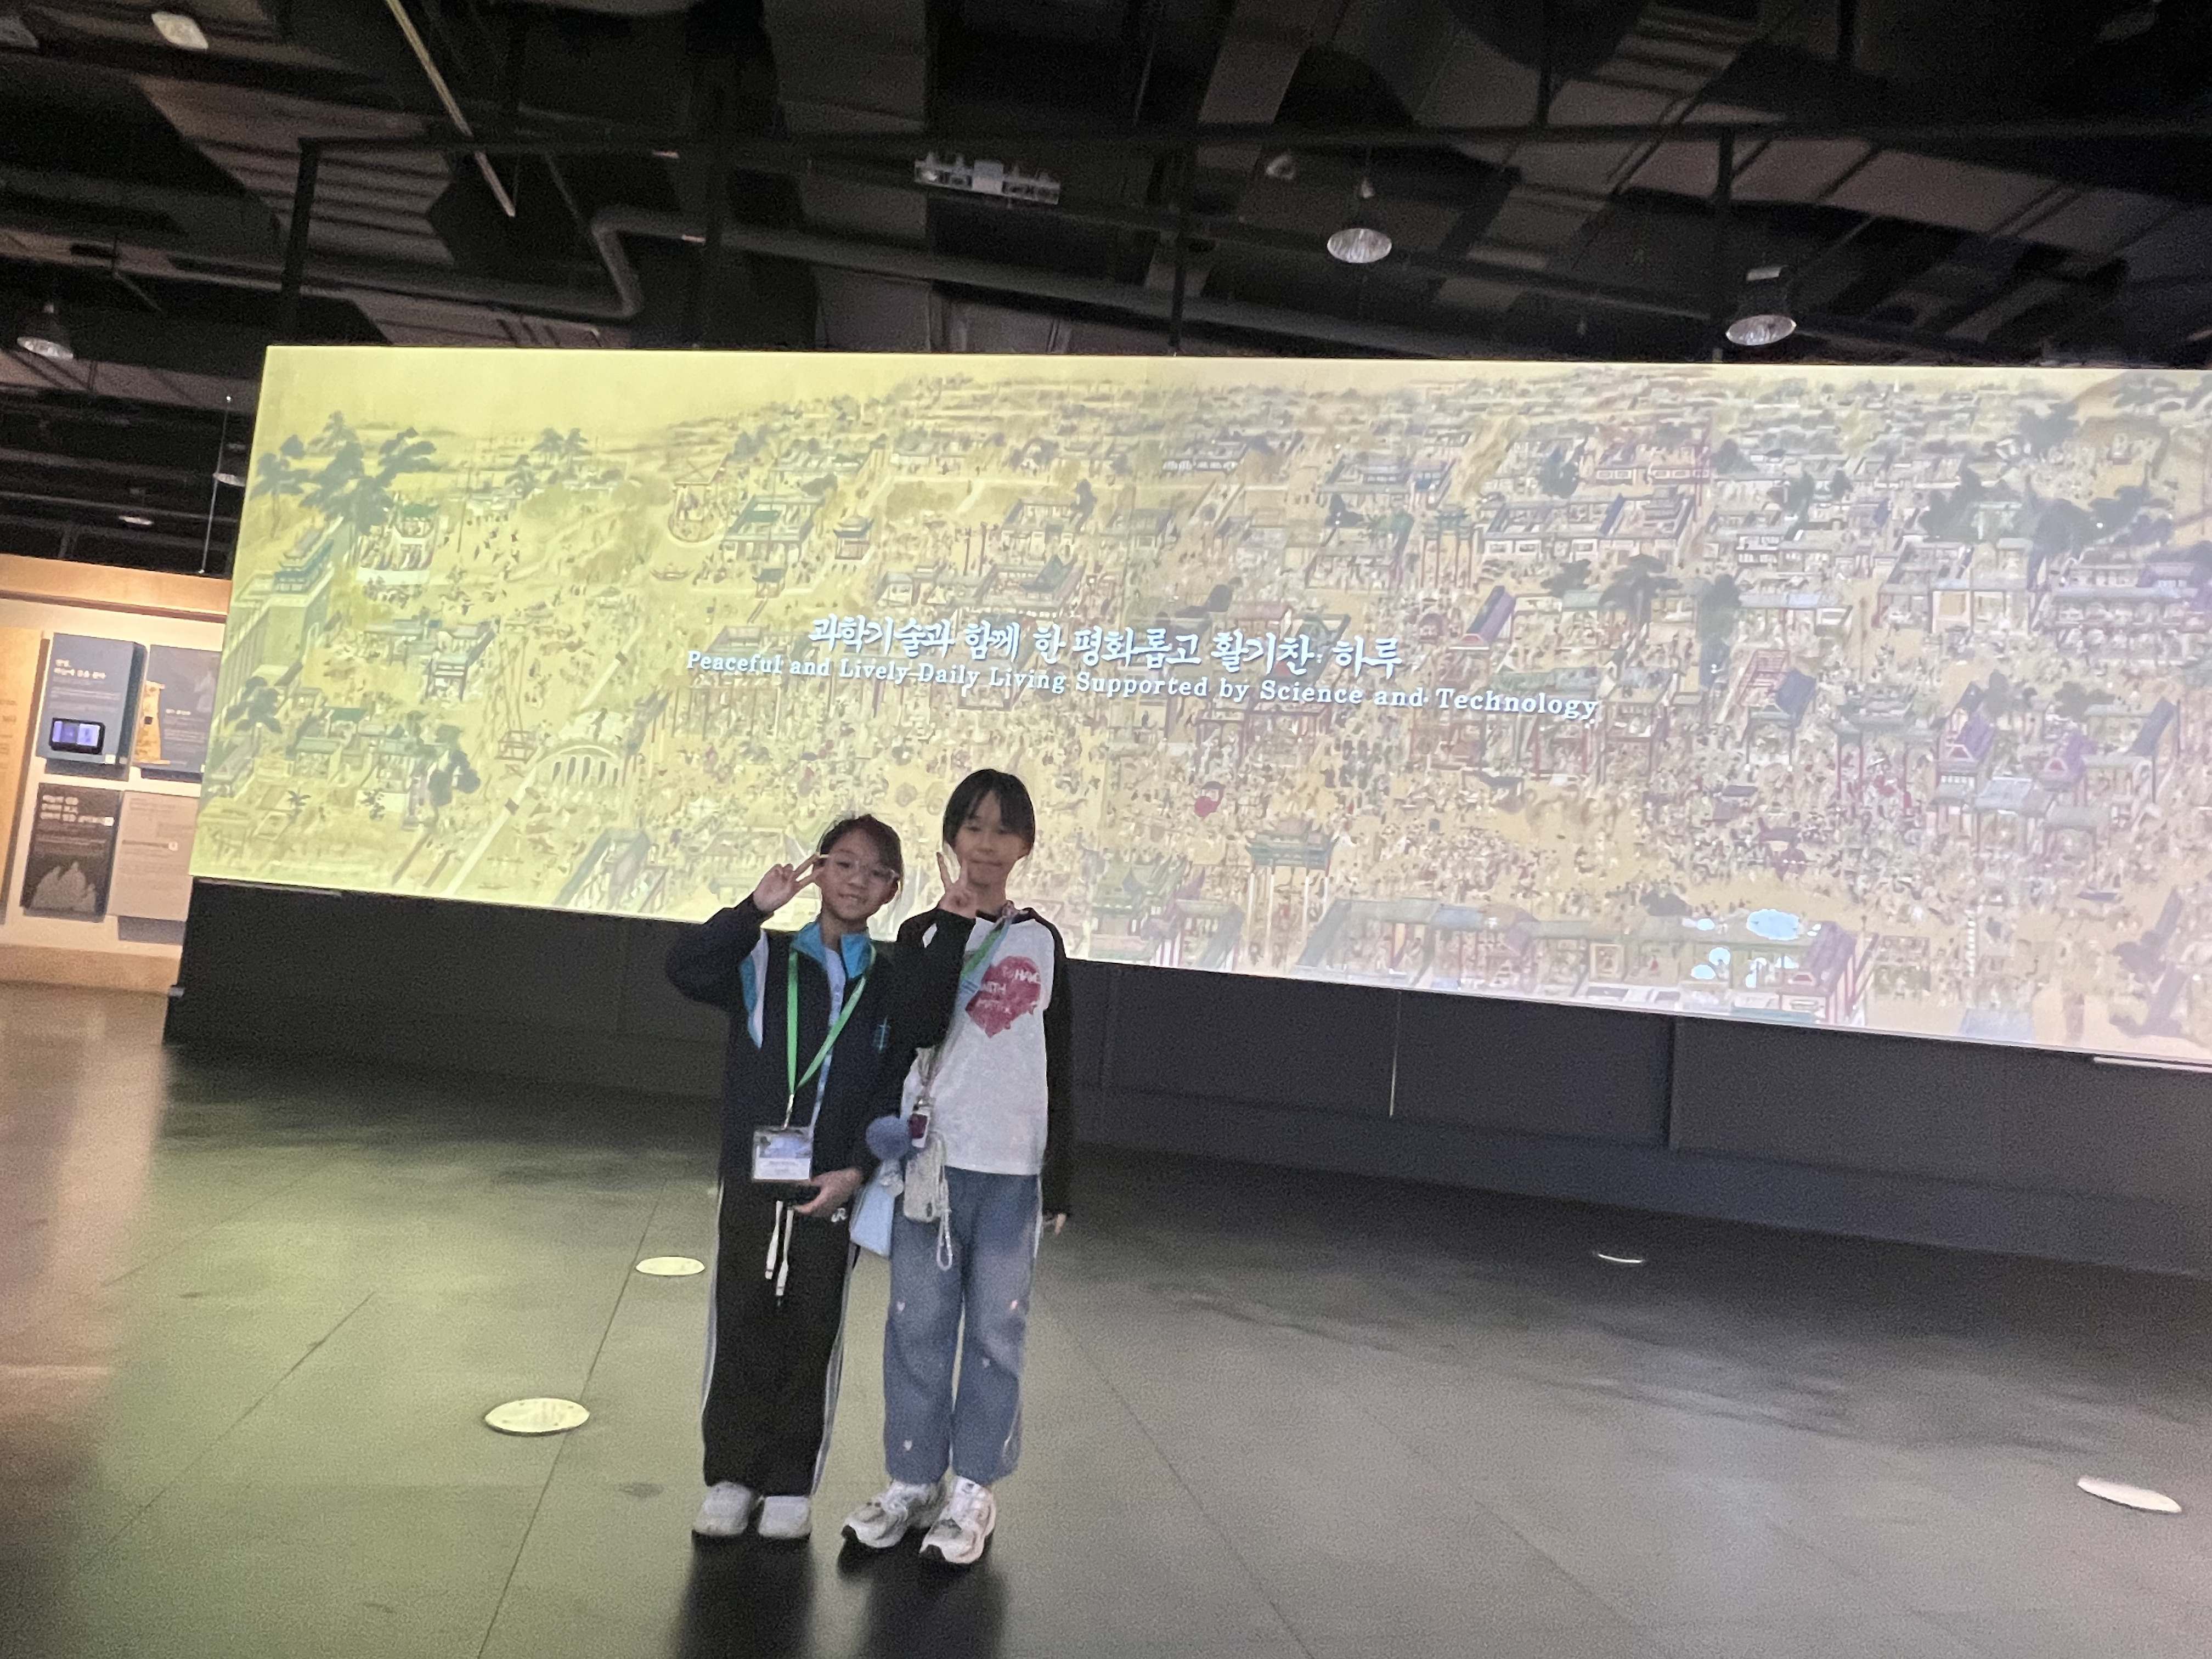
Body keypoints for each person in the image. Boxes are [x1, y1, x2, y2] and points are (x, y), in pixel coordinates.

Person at [842, 769, 1074, 1567]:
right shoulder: (921, 933)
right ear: (951, 837)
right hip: (932, 1166)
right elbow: (914, 1022)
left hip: (1013, 1170)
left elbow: (1060, 1061)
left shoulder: (1043, 940)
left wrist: (1060, 1175)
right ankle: (912, 1481)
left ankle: (974, 1488)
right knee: (917, 1327)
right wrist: (950, 925)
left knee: (997, 1332)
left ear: (1025, 845)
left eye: (1003, 830)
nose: (986, 844)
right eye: (973, 827)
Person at [665, 816, 906, 1543]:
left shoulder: (889, 984)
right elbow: (685, 969)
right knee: (740, 1312)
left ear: (892, 890)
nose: (857, 880)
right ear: (819, 870)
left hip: (833, 1180)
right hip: (754, 1172)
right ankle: (732, 1477)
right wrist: (753, 909)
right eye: (844, 863)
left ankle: (789, 1483)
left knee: (813, 1325)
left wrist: (858, 1169)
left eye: (875, 871)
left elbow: (891, 1088)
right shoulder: (764, 958)